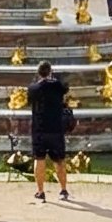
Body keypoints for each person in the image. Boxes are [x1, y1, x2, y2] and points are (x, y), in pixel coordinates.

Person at [26, 60, 71, 203]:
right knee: (60, 161)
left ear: (38, 73)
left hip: (39, 129)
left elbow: (29, 101)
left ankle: (40, 192)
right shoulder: (58, 86)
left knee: (39, 159)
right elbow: (65, 86)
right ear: (50, 71)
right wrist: (54, 78)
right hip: (56, 128)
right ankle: (63, 190)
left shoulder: (33, 88)